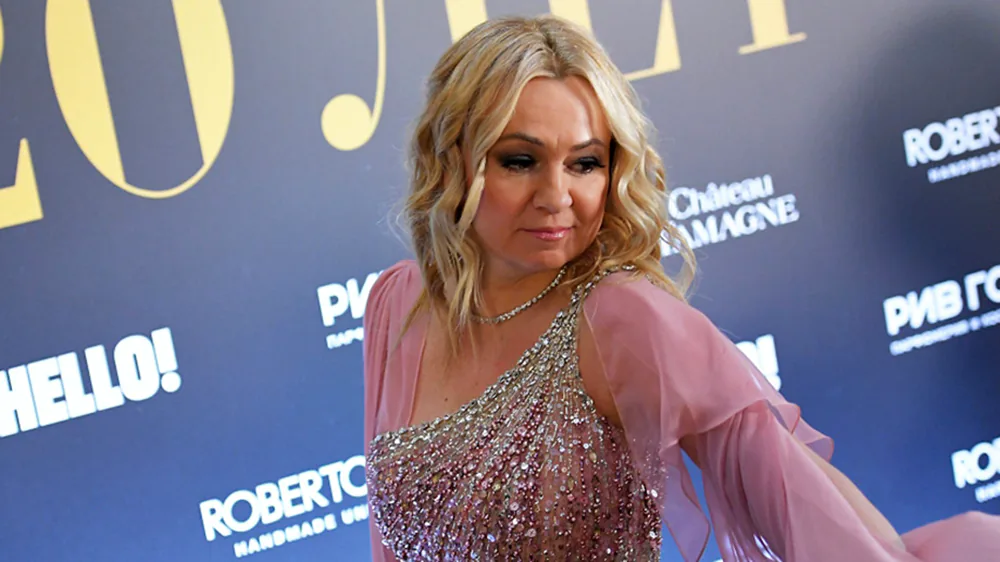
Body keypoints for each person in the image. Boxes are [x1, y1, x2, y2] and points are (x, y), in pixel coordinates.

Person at [361, 14, 1000, 562]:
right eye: (520, 160)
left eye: (585, 162)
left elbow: (796, 494)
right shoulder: (396, 302)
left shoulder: (621, 318)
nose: (557, 196)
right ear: (454, 159)